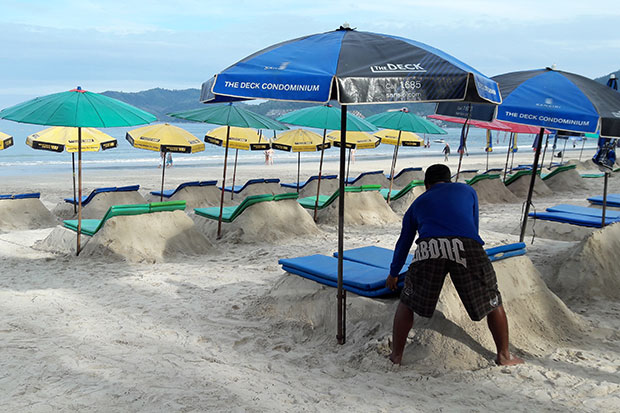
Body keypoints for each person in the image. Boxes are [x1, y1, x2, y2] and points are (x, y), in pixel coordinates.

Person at [386, 164, 523, 366]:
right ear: (449, 180)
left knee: (407, 301)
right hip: (466, 244)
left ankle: (396, 356)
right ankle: (503, 356)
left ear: (427, 184)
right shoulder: (467, 190)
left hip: (429, 246)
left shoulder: (418, 203)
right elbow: (473, 226)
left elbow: (404, 242)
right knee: (493, 300)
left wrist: (394, 273)